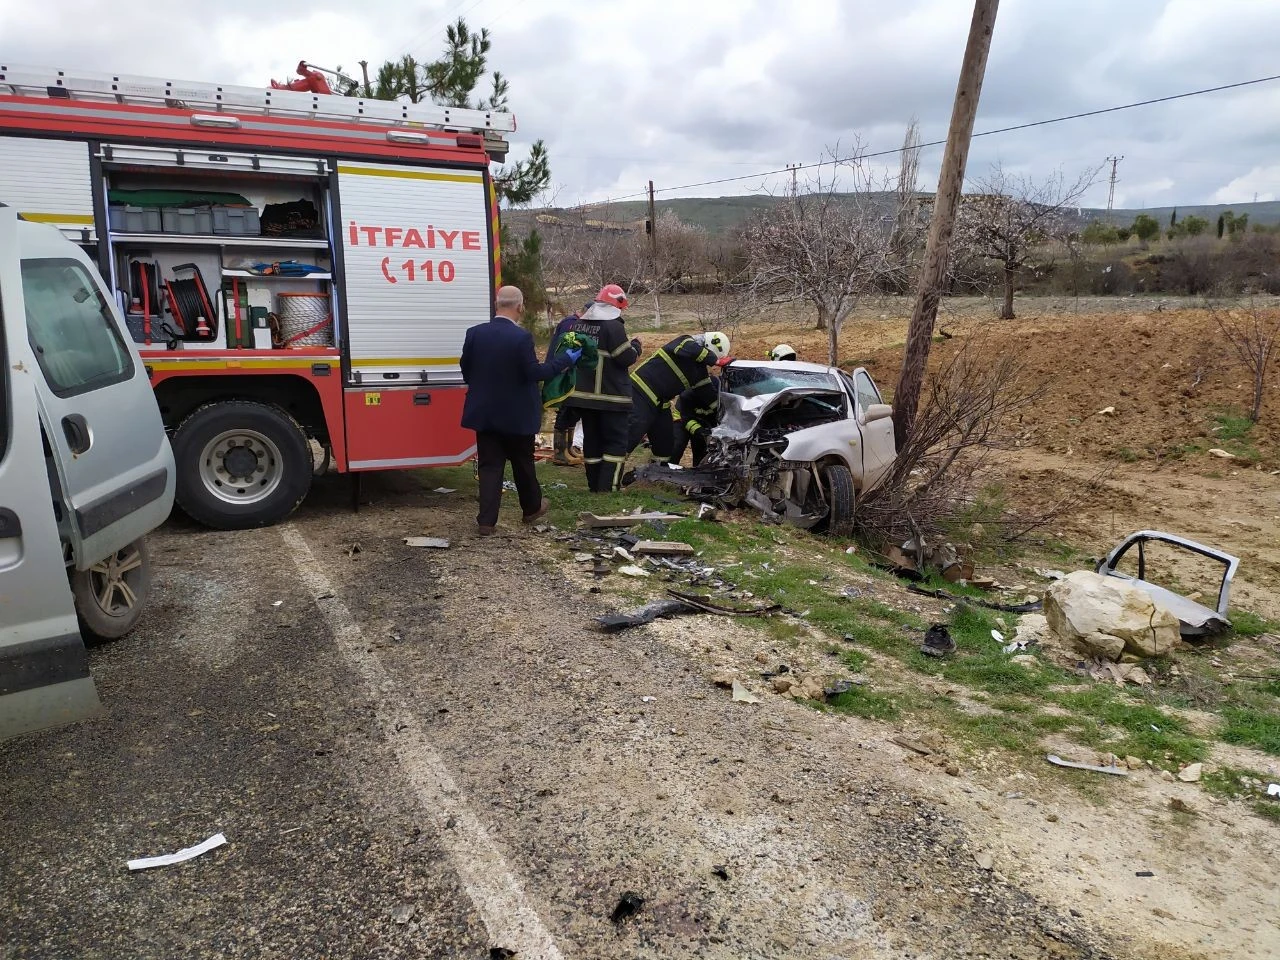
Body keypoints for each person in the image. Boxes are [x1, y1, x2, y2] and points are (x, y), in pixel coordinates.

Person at [461, 285, 581, 535]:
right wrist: (565, 361)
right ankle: (531, 509)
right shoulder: (521, 337)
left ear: (496, 305)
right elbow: (534, 373)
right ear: (520, 306)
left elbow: (466, 369)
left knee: (490, 466)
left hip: (485, 413)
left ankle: (486, 521)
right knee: (522, 463)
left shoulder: (474, 333)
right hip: (517, 415)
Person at [561, 284, 640, 492]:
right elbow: (625, 357)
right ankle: (609, 488)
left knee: (592, 443)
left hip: (584, 398)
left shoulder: (579, 325)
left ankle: (594, 486)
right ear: (617, 305)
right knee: (615, 445)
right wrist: (636, 347)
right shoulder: (613, 326)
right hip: (611, 397)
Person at [626, 331, 730, 463]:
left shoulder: (699, 372)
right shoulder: (685, 342)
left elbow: (708, 396)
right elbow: (691, 350)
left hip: (660, 402)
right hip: (639, 391)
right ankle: (610, 473)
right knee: (632, 433)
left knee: (665, 442)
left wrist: (729, 413)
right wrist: (715, 360)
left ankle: (658, 474)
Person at [546, 301, 593, 466]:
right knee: (565, 411)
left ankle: (569, 448)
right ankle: (559, 452)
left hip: (572, 372)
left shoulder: (577, 323)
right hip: (563, 372)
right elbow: (565, 348)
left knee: (573, 411)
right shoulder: (570, 324)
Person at [668, 379, 720, 466]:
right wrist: (699, 431)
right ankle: (667, 470)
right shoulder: (687, 396)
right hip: (682, 419)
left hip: (705, 422)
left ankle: (698, 472)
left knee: (701, 450)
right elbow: (687, 419)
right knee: (677, 445)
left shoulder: (721, 396)